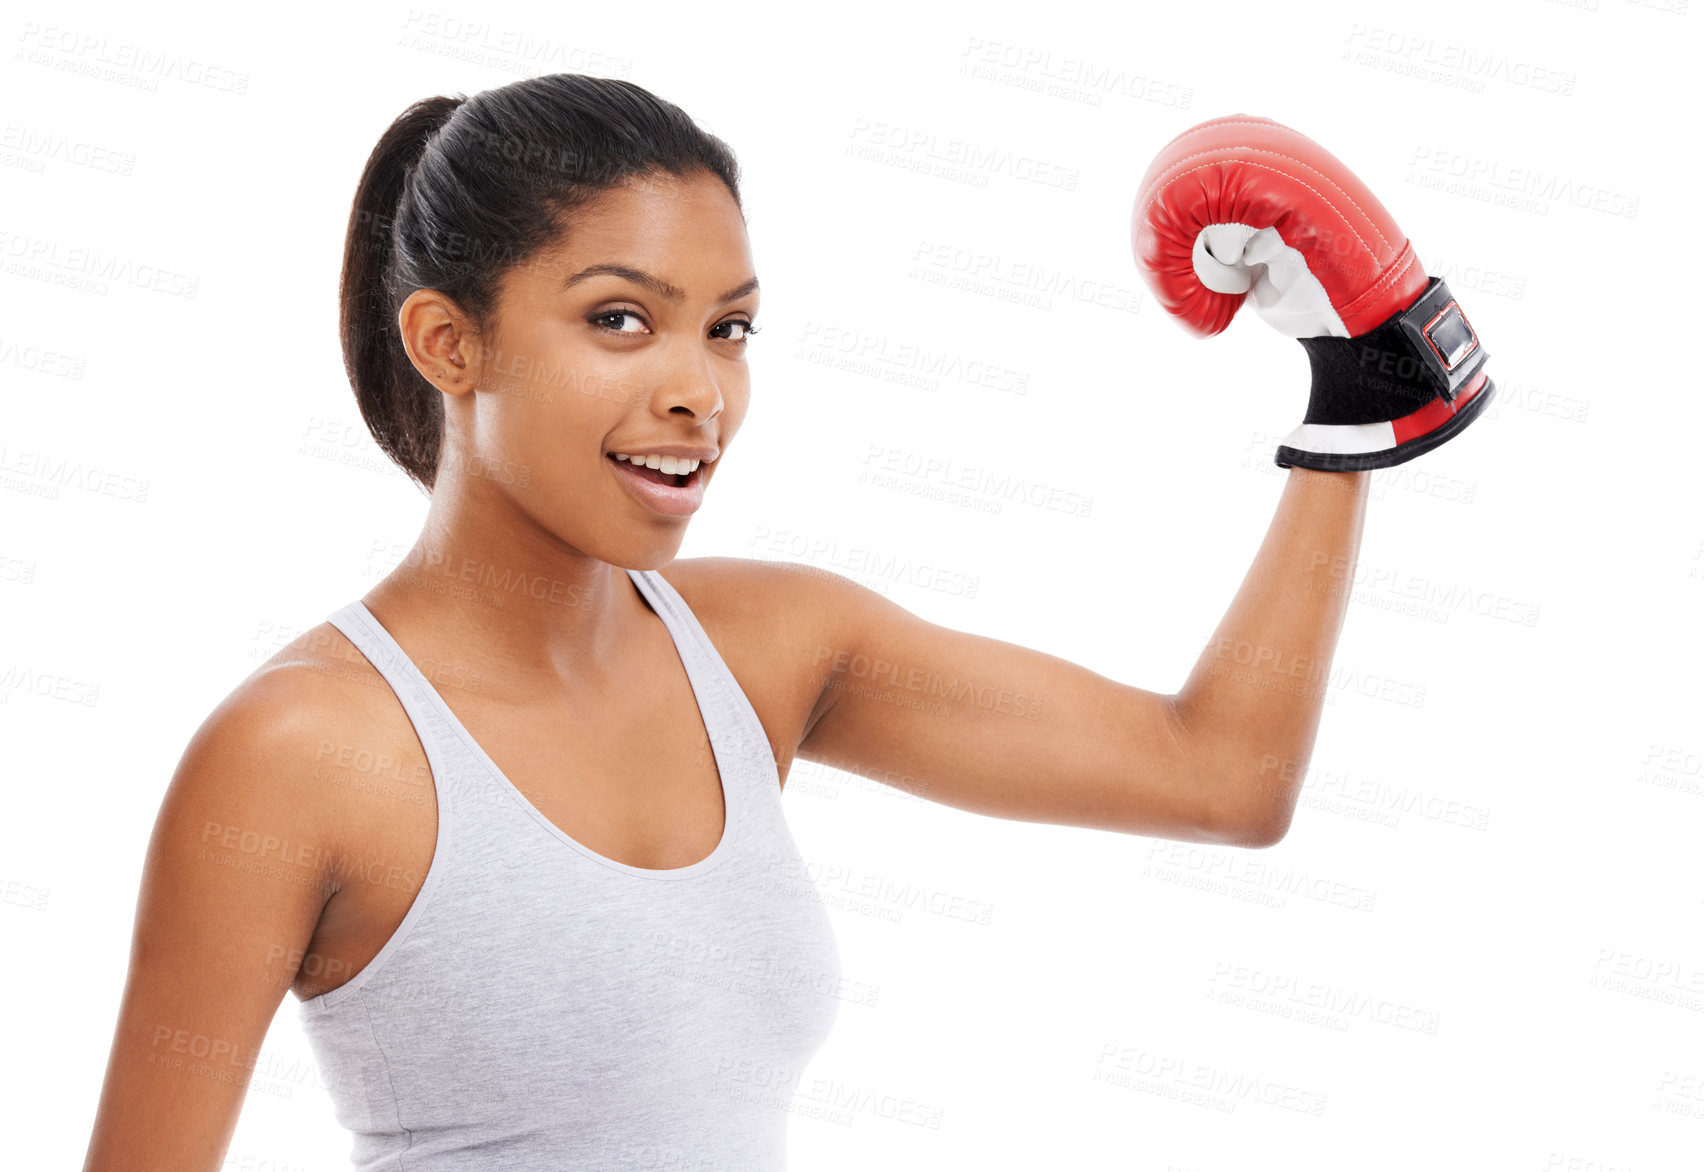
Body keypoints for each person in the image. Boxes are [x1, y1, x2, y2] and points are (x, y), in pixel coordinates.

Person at [79, 75, 1489, 1170]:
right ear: (452, 343)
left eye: (730, 328)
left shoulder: (768, 650)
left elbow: (1221, 778)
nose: (701, 391)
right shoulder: (304, 749)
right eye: (621, 322)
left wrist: (1348, 412)